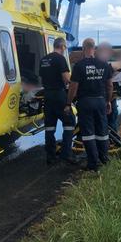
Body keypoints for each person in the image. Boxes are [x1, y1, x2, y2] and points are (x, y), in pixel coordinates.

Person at [66, 38, 113, 172]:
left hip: (85, 102)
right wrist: (108, 101)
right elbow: (109, 85)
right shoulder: (104, 65)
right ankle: (104, 158)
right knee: (102, 131)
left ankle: (93, 163)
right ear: (95, 48)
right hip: (100, 101)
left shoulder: (79, 66)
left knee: (88, 134)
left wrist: (68, 103)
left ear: (83, 48)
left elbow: (73, 87)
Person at [38, 37, 78, 166]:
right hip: (59, 95)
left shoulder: (43, 59)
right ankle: (66, 154)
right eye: (65, 47)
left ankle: (50, 156)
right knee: (70, 122)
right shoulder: (60, 59)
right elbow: (67, 79)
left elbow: (42, 77)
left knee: (50, 127)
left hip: (47, 96)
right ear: (62, 47)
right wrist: (76, 84)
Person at [96, 42, 119, 131]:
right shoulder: (106, 66)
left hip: (104, 99)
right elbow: (109, 85)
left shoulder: (105, 65)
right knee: (110, 123)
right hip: (106, 100)